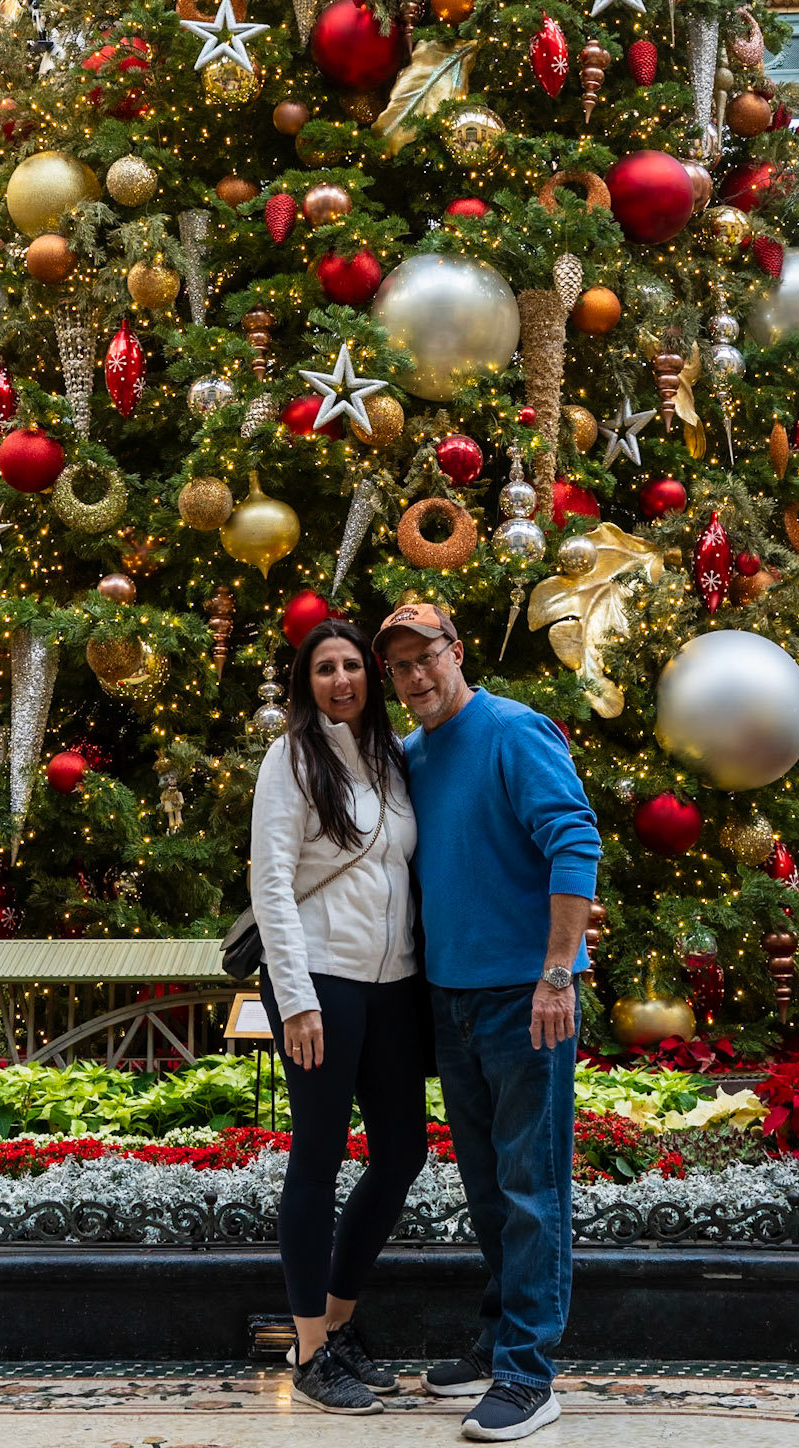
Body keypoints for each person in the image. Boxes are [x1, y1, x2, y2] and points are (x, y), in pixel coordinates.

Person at [373, 601, 602, 1444]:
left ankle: (528, 1374)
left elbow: (574, 840)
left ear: (456, 652)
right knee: (488, 1184)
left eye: (425, 657)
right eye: (399, 667)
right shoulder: (411, 755)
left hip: (525, 998)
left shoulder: (512, 731)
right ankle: (499, 1337)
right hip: (451, 999)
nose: (414, 677)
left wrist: (556, 974)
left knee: (531, 1186)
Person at [251, 617, 427, 1415]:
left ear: (370, 675)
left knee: (401, 1154)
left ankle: (339, 1323)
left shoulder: (393, 759)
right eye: (323, 668)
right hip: (320, 978)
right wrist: (295, 999)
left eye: (351, 665)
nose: (340, 680)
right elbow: (271, 883)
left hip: (394, 983)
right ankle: (309, 1349)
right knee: (318, 1156)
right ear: (306, 683)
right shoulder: (290, 758)